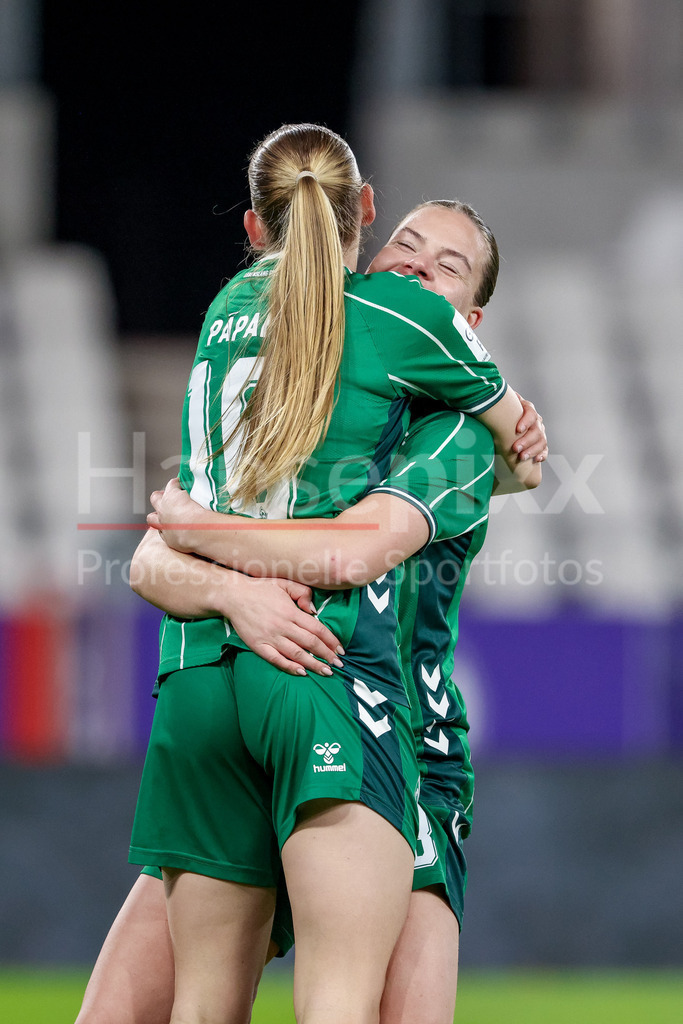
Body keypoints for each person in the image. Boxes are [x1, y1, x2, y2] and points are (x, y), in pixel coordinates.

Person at [83, 120, 542, 1024]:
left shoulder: (445, 429)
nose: (414, 270)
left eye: (444, 268)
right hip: (316, 683)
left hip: (395, 741)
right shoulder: (329, 360)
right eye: (403, 246)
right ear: (363, 226)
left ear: (467, 323)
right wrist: (231, 587)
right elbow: (153, 555)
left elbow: (362, 543)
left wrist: (199, 536)